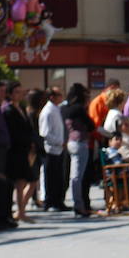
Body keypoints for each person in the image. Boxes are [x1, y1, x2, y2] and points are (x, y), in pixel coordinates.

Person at [2, 81, 37, 223]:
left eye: (20, 91)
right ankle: (20, 211)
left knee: (28, 180)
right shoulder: (8, 110)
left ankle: (21, 210)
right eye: (16, 91)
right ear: (10, 94)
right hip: (16, 150)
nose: (20, 94)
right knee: (20, 181)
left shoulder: (21, 108)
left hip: (24, 149)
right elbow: (14, 131)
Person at [61, 84, 96, 217]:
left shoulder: (64, 108)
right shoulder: (79, 109)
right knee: (78, 176)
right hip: (80, 142)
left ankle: (78, 203)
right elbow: (91, 125)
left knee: (74, 175)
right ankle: (79, 205)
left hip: (69, 142)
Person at [38, 86, 67, 211]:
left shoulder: (56, 109)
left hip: (58, 149)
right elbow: (45, 133)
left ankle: (58, 201)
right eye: (59, 94)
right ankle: (50, 202)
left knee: (58, 177)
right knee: (51, 177)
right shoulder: (48, 111)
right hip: (51, 149)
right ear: (52, 97)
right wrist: (60, 142)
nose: (62, 96)